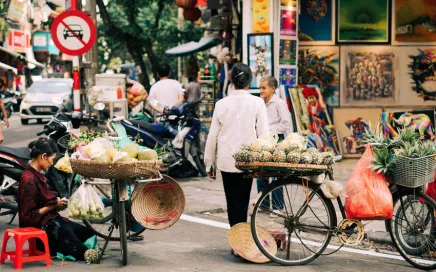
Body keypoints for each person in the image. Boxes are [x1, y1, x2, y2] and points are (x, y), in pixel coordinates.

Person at [204, 63, 270, 256]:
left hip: (226, 160)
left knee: (231, 201)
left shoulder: (221, 104)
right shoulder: (257, 103)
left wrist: (210, 162)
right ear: (249, 81)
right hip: (247, 160)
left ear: (231, 81)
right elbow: (264, 134)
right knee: (243, 199)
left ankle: (237, 241)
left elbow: (213, 136)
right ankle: (240, 241)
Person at [18, 138, 95, 260]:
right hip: (41, 227)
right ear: (43, 156)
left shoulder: (38, 174)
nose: (52, 163)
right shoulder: (29, 180)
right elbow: (28, 218)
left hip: (51, 220)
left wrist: (58, 204)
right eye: (52, 159)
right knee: (81, 251)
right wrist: (54, 204)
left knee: (88, 234)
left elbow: (43, 202)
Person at [256, 76, 291, 217]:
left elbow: (285, 123)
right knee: (262, 172)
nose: (261, 90)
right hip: (264, 141)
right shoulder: (260, 103)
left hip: (276, 140)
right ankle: (264, 205)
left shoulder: (279, 103)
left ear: (272, 89)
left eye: (264, 88)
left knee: (276, 174)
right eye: (260, 87)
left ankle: (277, 207)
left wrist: (270, 131)